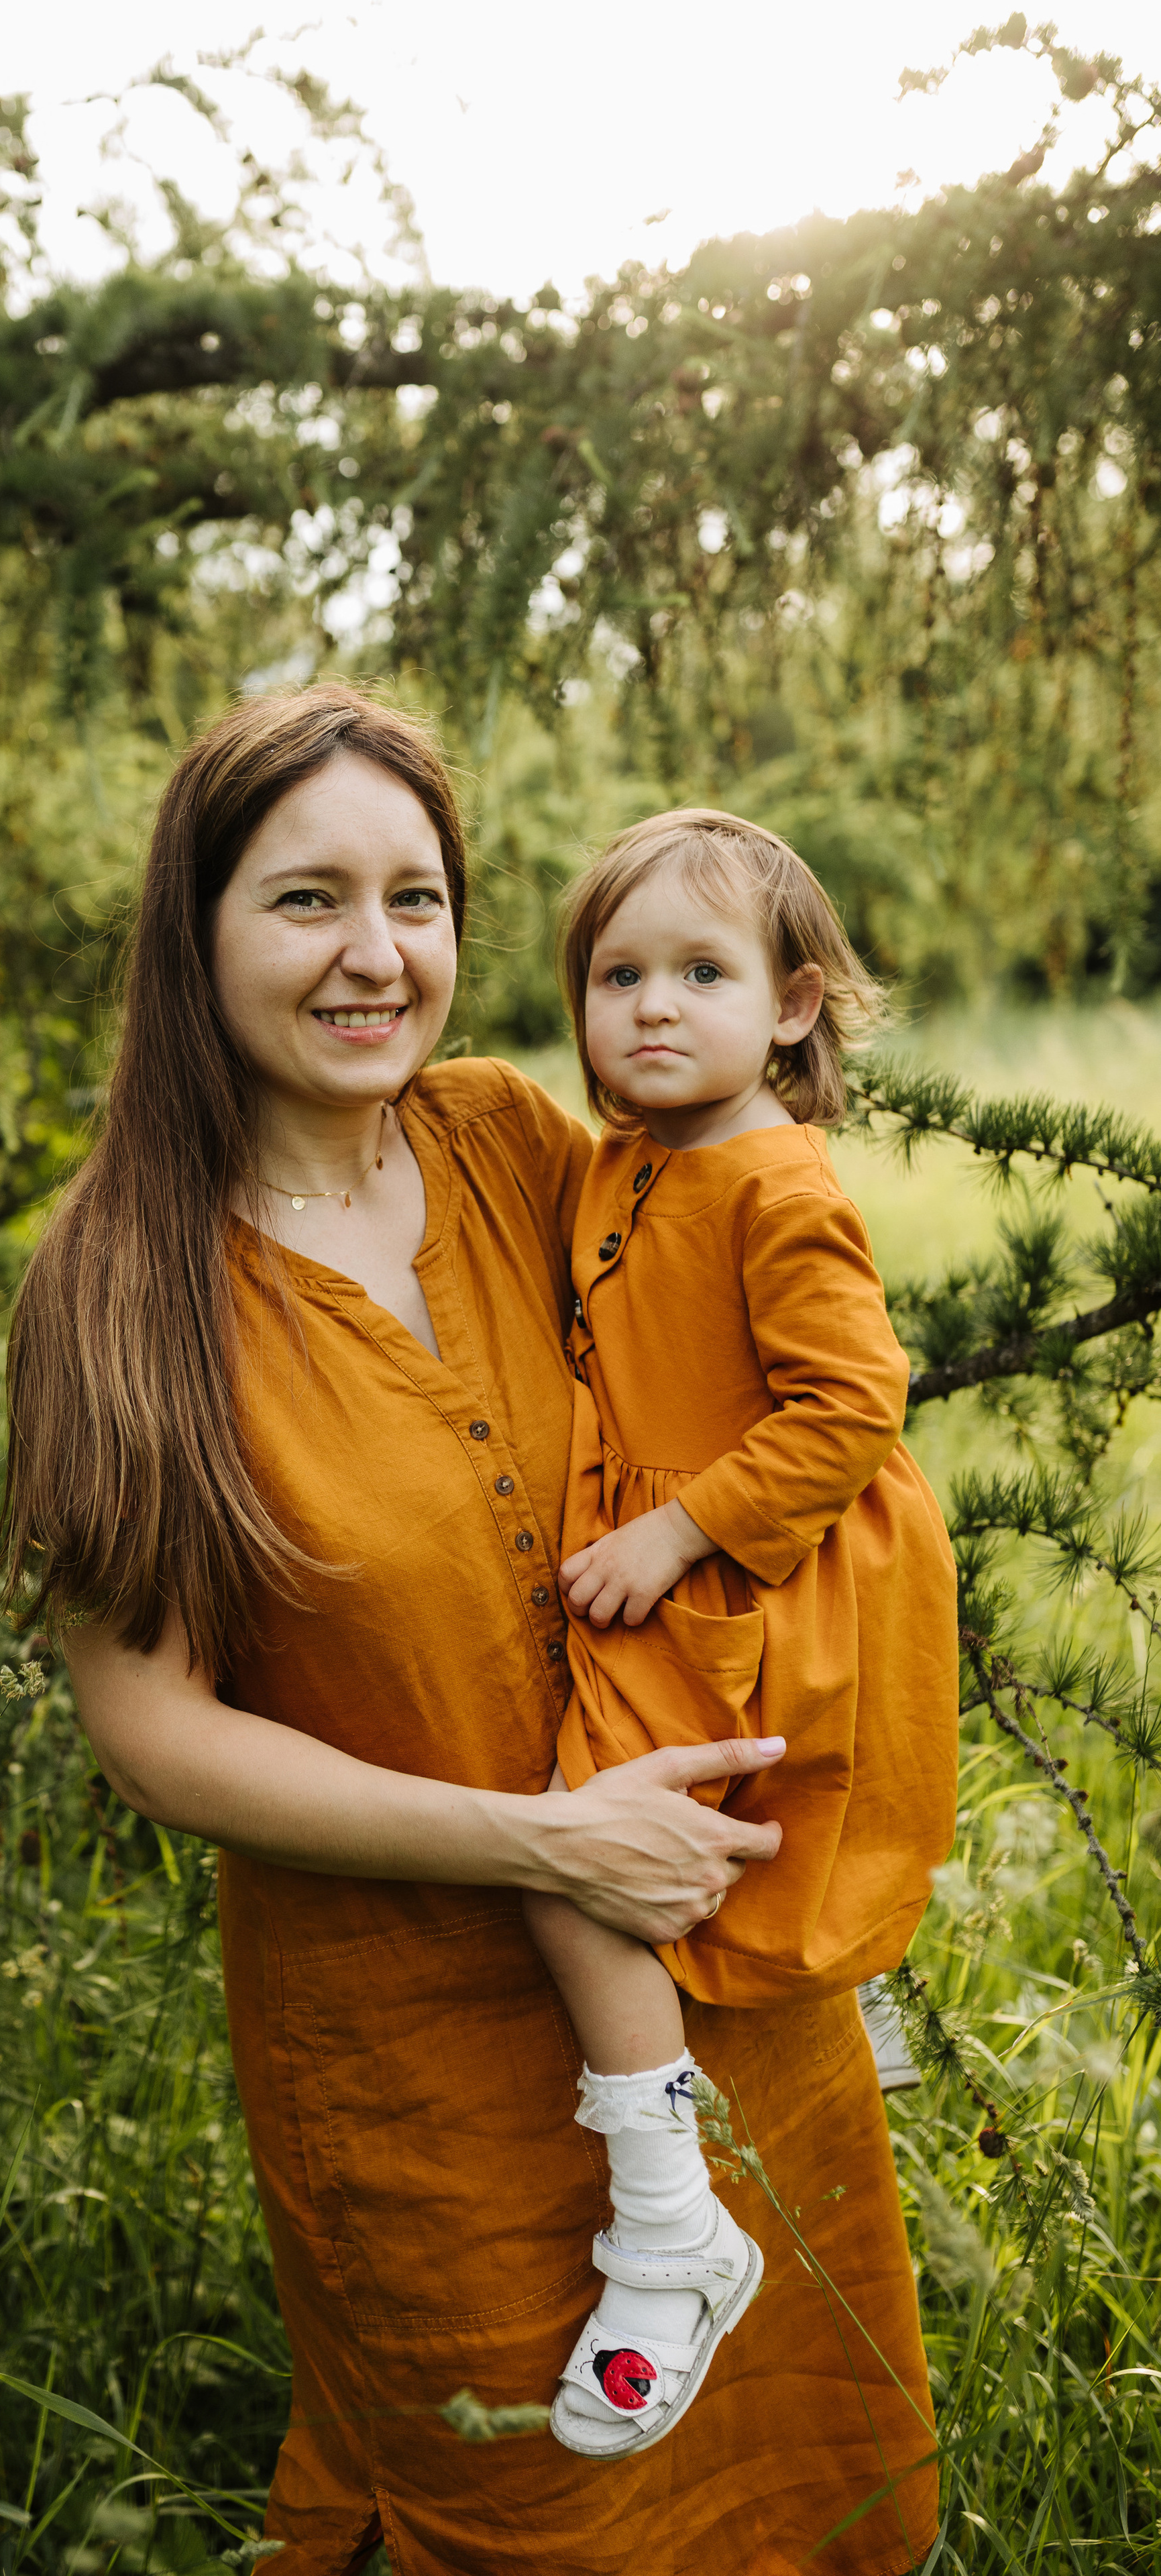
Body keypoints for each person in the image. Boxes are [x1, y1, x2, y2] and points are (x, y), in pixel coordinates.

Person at [0, 686, 940, 2575]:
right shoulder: (118, 1290)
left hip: (720, 1971)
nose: (374, 956)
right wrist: (538, 1838)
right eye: (306, 901)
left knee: (818, 2485)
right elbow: (153, 1728)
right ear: (195, 938)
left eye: (415, 899)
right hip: (418, 2060)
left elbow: (770, 1327)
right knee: (531, 2508)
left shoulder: (520, 1140)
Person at [519, 811, 960, 2461]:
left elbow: (851, 1399)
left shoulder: (770, 1177)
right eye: (614, 974)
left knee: (578, 1861)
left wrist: (676, 1524)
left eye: (697, 973)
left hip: (757, 1573)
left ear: (789, 1006)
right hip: (682, 1565)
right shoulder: (636, 1156)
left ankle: (667, 2217)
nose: (646, 1007)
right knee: (640, 1859)